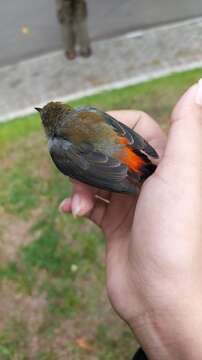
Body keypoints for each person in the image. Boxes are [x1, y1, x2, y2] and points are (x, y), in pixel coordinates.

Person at [59, 81, 202, 359]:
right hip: (131, 152)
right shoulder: (88, 112)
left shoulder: (59, 147)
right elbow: (116, 134)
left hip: (127, 165)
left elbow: (93, 167)